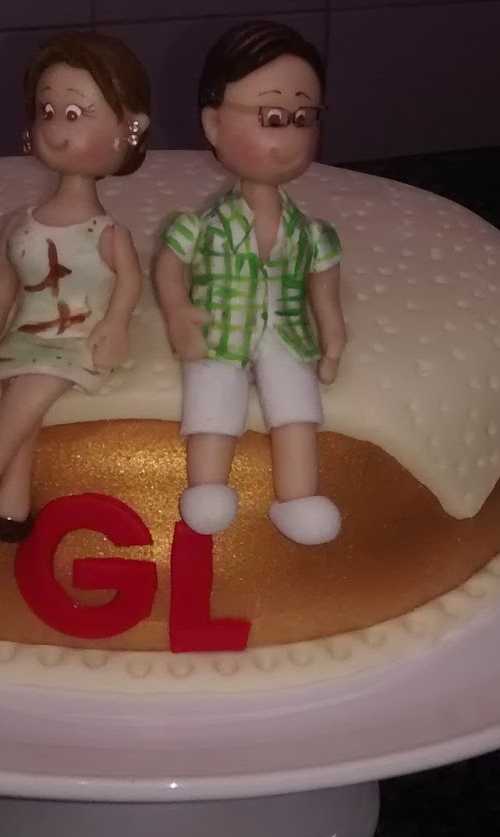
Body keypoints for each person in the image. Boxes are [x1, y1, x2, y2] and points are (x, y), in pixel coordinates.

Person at [0, 31, 152, 542]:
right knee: (19, 393)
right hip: (25, 333)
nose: (55, 128)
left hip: (75, 338)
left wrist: (117, 324)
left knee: (28, 394)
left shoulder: (108, 233)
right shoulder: (19, 223)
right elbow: (4, 284)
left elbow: (129, 283)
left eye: (75, 114)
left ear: (131, 129)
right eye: (47, 111)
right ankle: (11, 507)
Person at [153, 20, 347, 546]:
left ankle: (298, 496)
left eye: (303, 119)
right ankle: (208, 486)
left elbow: (324, 294)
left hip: (286, 333)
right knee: (213, 399)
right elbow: (169, 266)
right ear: (214, 124)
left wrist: (332, 340)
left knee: (297, 407)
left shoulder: (312, 232)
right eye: (272, 118)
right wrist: (177, 310)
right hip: (219, 329)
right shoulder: (200, 225)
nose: (288, 138)